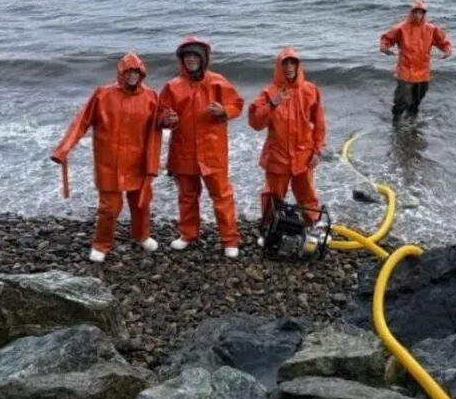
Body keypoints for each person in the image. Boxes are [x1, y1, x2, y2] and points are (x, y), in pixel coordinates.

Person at [51, 52, 161, 263]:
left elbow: (159, 122)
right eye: (128, 72)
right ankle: (101, 244)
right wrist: (63, 149)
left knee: (142, 202)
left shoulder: (151, 97)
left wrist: (169, 121)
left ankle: (141, 236)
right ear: (120, 73)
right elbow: (81, 122)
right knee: (109, 208)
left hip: (138, 161)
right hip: (108, 162)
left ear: (142, 74)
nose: (132, 76)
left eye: (136, 73)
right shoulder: (102, 95)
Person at [155, 36, 245, 258]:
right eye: (187, 57)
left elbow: (237, 104)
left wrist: (223, 111)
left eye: (195, 56)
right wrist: (167, 119)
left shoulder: (218, 82)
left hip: (213, 151)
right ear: (181, 61)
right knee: (187, 195)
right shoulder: (172, 86)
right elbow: (159, 114)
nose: (191, 60)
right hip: (183, 150)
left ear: (203, 59)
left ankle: (230, 239)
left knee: (222, 195)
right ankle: (188, 234)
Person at [247, 48, 327, 228]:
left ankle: (312, 226)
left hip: (303, 155)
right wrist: (273, 104)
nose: (289, 67)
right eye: (285, 64)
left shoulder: (310, 90)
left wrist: (317, 150)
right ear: (278, 67)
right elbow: (255, 123)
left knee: (307, 195)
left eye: (293, 63)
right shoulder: (269, 93)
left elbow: (320, 124)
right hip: (278, 155)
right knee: (273, 196)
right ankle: (268, 229)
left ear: (298, 66)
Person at [379, 0, 453, 124]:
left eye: (421, 13)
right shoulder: (401, 28)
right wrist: (385, 48)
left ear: (424, 14)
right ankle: (396, 123)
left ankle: (412, 123)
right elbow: (386, 39)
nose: (418, 15)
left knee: (417, 100)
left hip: (423, 71)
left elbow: (444, 42)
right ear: (411, 13)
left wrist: (447, 51)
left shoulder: (431, 29)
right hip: (405, 70)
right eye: (416, 12)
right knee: (401, 100)